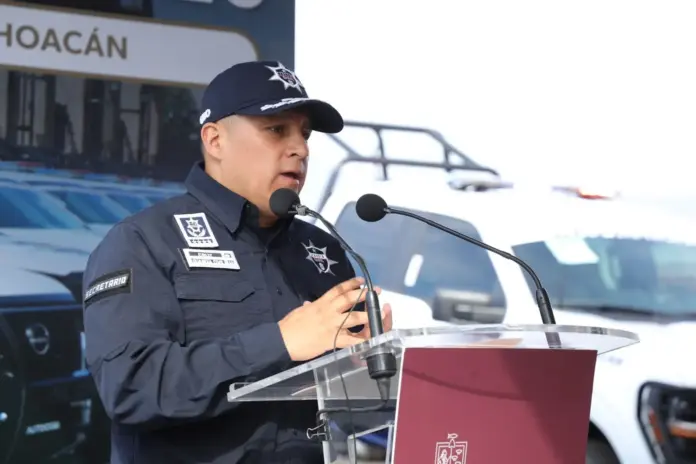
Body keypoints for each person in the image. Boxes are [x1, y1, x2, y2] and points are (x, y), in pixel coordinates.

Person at [81, 60, 393, 464]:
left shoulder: (323, 250)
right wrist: (280, 342)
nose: (300, 149)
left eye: (304, 133)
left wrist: (368, 364)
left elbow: (353, 416)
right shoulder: (143, 241)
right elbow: (130, 388)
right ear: (215, 140)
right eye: (276, 130)